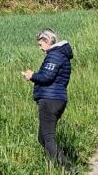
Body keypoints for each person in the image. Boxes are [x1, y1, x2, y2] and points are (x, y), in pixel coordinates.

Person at [22, 28, 73, 171]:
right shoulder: (61, 55)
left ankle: (68, 169)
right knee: (42, 138)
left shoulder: (54, 56)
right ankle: (53, 167)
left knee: (48, 138)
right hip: (57, 99)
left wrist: (31, 75)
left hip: (50, 101)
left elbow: (47, 77)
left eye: (40, 44)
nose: (40, 48)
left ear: (47, 40)